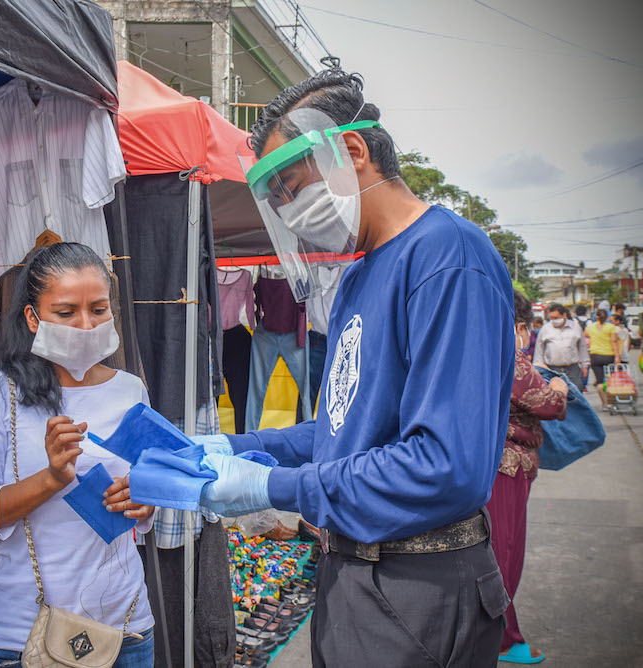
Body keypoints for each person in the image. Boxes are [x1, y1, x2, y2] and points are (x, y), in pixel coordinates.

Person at [185, 70, 516, 666]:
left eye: (290, 184)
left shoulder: (447, 256)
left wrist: (275, 487)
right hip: (354, 577)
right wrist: (239, 446)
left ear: (353, 151)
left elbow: (446, 466)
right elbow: (342, 429)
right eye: (278, 199)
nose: (288, 211)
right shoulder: (361, 274)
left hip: (418, 584)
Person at [0, 243, 156, 668]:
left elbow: (149, 500)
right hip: (27, 632)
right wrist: (50, 479)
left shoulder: (130, 389)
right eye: (66, 313)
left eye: (98, 309)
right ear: (32, 317)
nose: (85, 324)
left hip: (127, 628)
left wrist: (146, 500)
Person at [488, 291, 568, 664]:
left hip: (495, 464)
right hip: (506, 468)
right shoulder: (505, 353)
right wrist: (559, 389)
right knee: (504, 553)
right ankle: (503, 638)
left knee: (497, 551)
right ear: (519, 326)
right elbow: (548, 405)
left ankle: (501, 634)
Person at [533, 303, 589, 389]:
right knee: (556, 396)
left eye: (556, 318)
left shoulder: (575, 327)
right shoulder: (545, 329)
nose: (553, 320)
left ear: (564, 315)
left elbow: (582, 347)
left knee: (576, 394)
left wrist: (585, 365)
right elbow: (539, 350)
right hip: (552, 370)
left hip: (573, 369)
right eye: (551, 318)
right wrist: (539, 368)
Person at [586, 309, 620, 411]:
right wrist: (617, 356)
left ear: (596, 317)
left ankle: (604, 404)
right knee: (610, 380)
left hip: (595, 355)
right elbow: (614, 342)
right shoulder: (611, 327)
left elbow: (585, 335)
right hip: (608, 355)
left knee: (600, 382)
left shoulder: (590, 327)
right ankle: (612, 401)